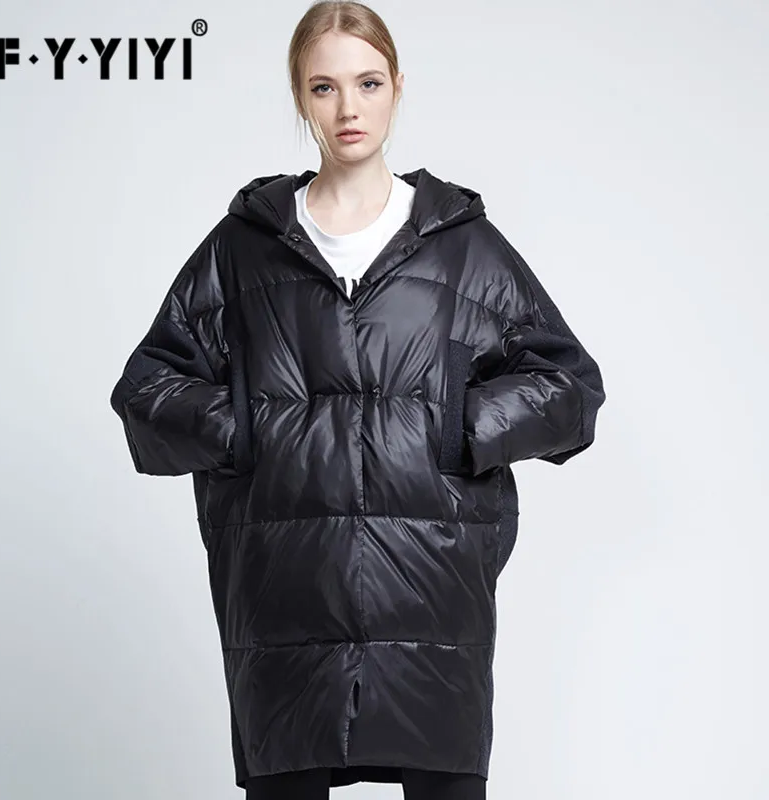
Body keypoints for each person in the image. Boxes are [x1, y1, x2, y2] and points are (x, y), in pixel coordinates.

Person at [109, 1, 606, 798]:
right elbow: (147, 389)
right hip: (284, 600)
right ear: (301, 97)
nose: (349, 108)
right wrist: (247, 432)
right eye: (325, 86)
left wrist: (462, 425)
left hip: (431, 596)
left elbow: (569, 386)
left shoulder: (461, 246)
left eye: (368, 83)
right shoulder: (243, 248)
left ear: (398, 87)